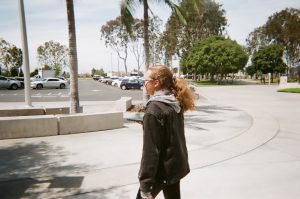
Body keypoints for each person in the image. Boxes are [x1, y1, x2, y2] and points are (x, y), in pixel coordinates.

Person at [136, 65, 195, 199]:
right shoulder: (174, 102)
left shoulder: (154, 110)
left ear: (156, 83)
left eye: (145, 81)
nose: (143, 84)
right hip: (175, 167)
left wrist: (145, 186)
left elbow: (150, 152)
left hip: (162, 172)